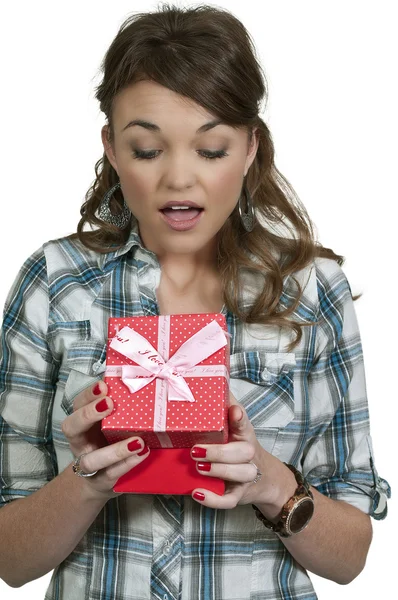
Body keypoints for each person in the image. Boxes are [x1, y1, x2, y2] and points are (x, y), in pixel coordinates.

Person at [0, 3, 391, 599]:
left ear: (250, 147)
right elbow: (10, 561)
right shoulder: (55, 282)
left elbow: (350, 559)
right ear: (110, 145)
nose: (179, 178)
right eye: (148, 150)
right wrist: (85, 480)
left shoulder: (313, 289)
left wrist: (270, 483)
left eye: (210, 150)